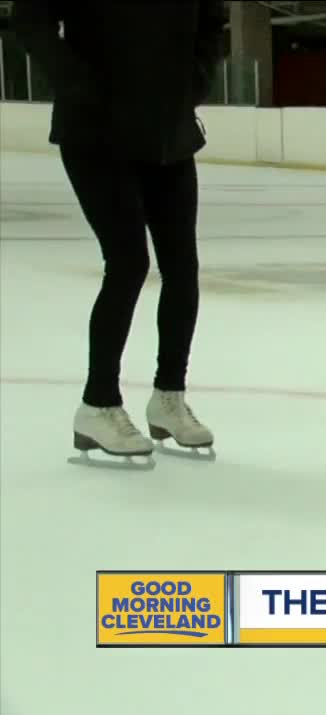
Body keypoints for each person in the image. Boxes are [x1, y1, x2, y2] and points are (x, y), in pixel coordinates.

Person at [14, 0, 225, 466]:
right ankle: (98, 405)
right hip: (96, 129)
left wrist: (195, 81)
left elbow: (212, 20)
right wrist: (76, 84)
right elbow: (30, 16)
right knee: (129, 263)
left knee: (181, 267)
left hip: (168, 128)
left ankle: (169, 397)